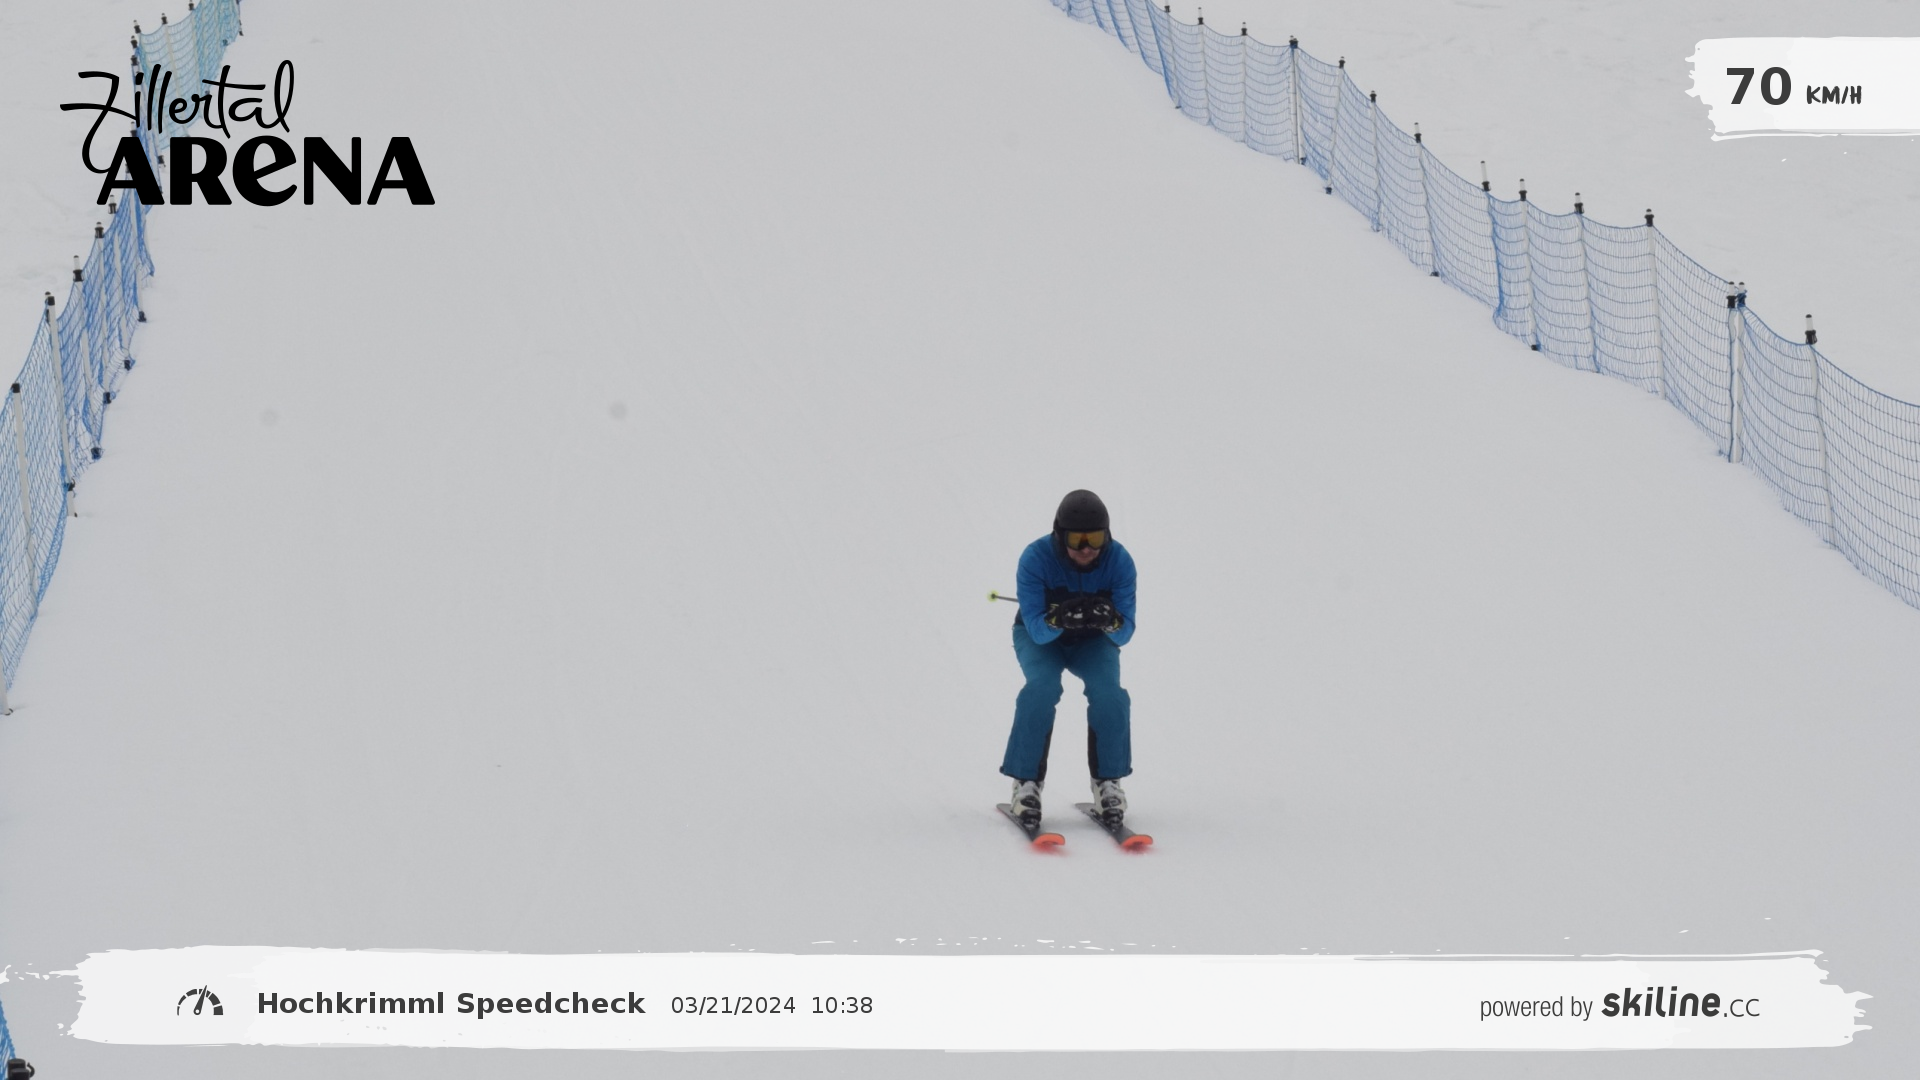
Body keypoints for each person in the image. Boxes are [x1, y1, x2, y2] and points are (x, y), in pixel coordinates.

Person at [1002, 489, 1137, 823]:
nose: (1087, 548)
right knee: (1042, 688)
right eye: (1077, 540)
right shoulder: (1035, 558)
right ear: (1059, 536)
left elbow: (1125, 633)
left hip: (1091, 641)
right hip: (1040, 639)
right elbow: (1037, 631)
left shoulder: (1120, 562)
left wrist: (1111, 620)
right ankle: (1026, 783)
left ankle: (1108, 782)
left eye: (1095, 539)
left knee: (1110, 694)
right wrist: (1058, 619)